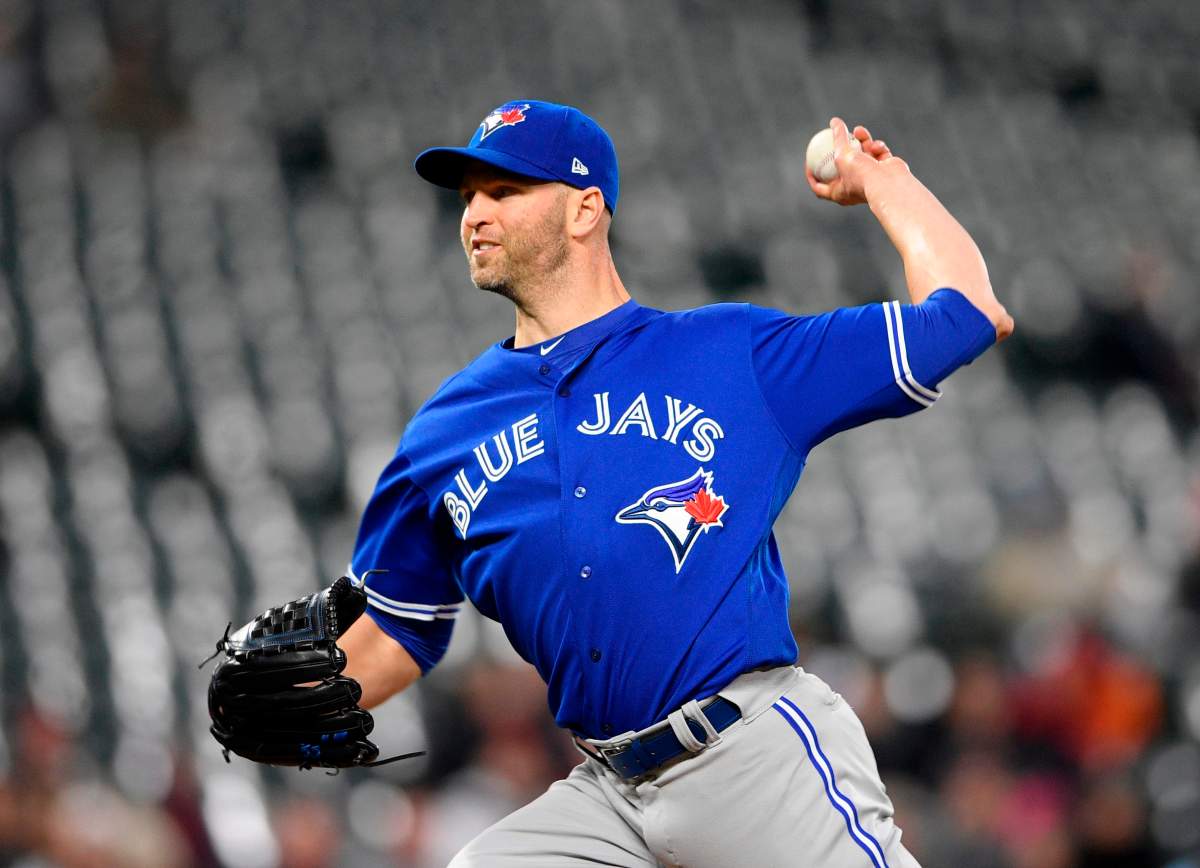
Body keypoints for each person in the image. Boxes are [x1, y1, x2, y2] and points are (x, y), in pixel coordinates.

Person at [338, 99, 1013, 867]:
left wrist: (885, 182)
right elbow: (399, 628)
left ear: (585, 209)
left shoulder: (731, 355)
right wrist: (294, 708)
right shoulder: (443, 432)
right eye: (468, 198)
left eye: (505, 192)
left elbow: (965, 314)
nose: (475, 215)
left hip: (753, 757)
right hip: (608, 794)